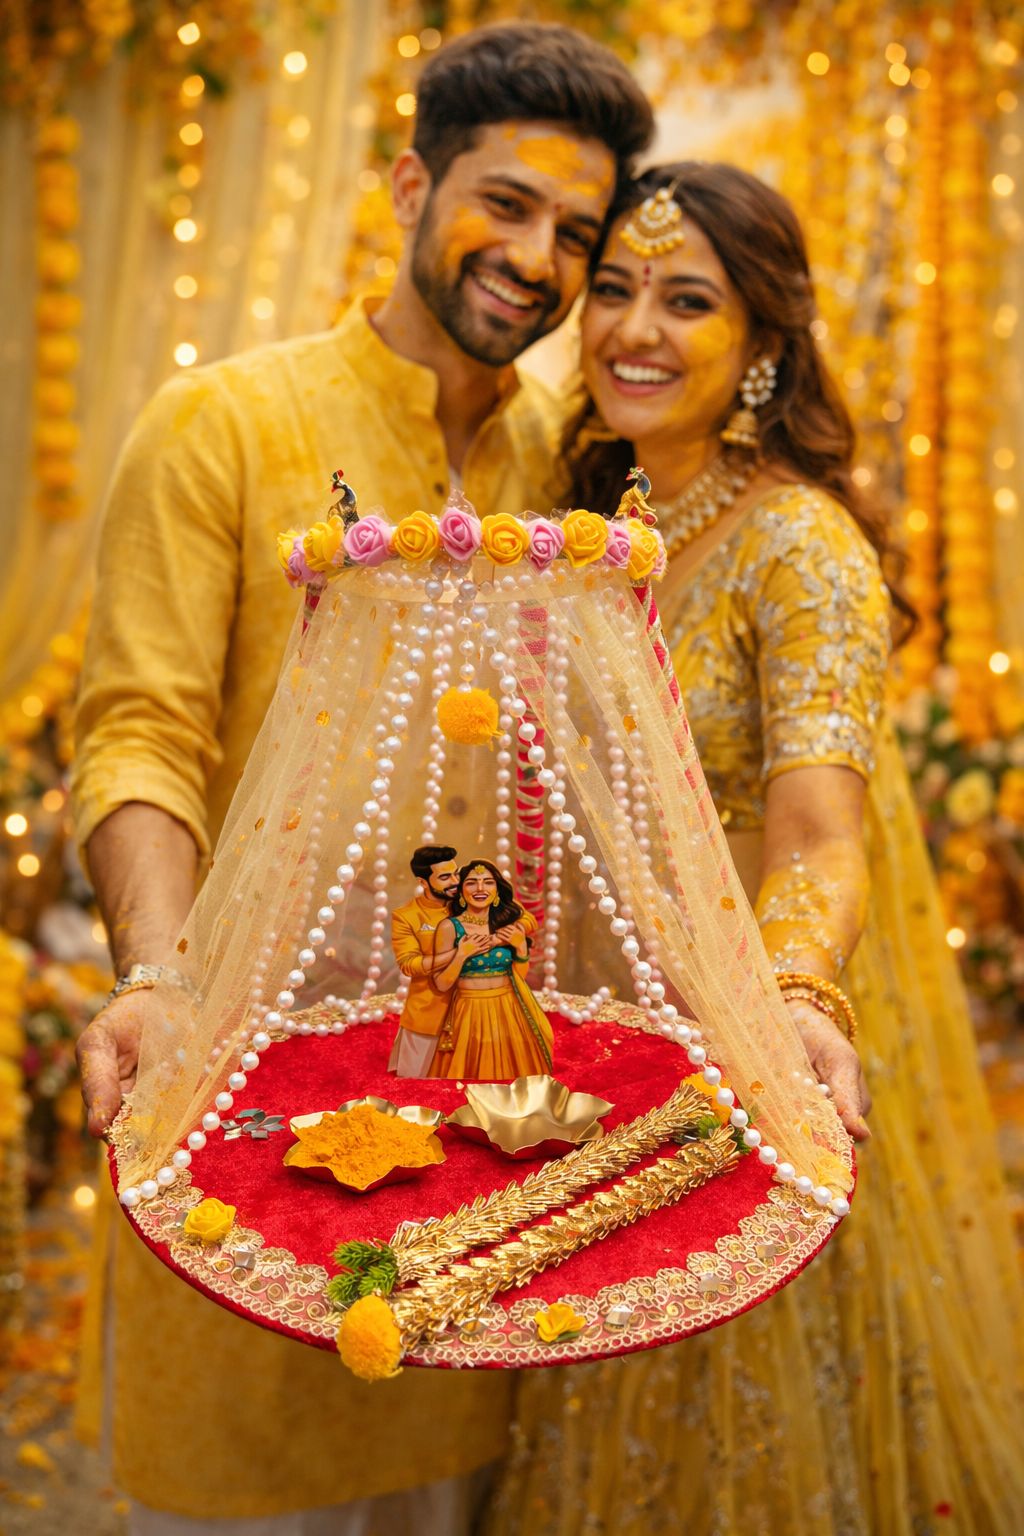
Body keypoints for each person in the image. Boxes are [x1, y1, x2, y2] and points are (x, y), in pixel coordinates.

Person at [69, 25, 654, 1532]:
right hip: (245, 1115)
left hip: (481, 1134)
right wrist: (158, 976)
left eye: (575, 232)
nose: (537, 258)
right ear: (411, 182)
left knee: (450, 1500)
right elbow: (140, 730)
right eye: (505, 202)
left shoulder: (570, 468)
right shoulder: (229, 424)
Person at [487, 164, 1024, 1535]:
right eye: (613, 291)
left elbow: (820, 830)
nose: (632, 331)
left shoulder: (802, 546)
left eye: (687, 301)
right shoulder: (606, 528)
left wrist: (784, 998)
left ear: (763, 349)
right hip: (608, 1040)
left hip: (743, 1054)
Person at [429, 860, 552, 1080]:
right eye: (472, 883)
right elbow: (441, 984)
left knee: (513, 1079)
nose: (480, 889)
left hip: (509, 1009)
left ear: (496, 890)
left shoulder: (506, 924)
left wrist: (520, 946)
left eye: (488, 882)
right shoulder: (449, 927)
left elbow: (519, 977)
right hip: (468, 1011)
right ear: (461, 891)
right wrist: (461, 954)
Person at [388, 843, 461, 1076]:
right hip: (427, 1016)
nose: (455, 881)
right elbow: (409, 965)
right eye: (445, 877)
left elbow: (521, 917)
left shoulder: (468, 904)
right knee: (414, 1086)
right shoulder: (406, 916)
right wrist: (459, 953)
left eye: (456, 873)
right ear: (423, 882)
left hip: (472, 1013)